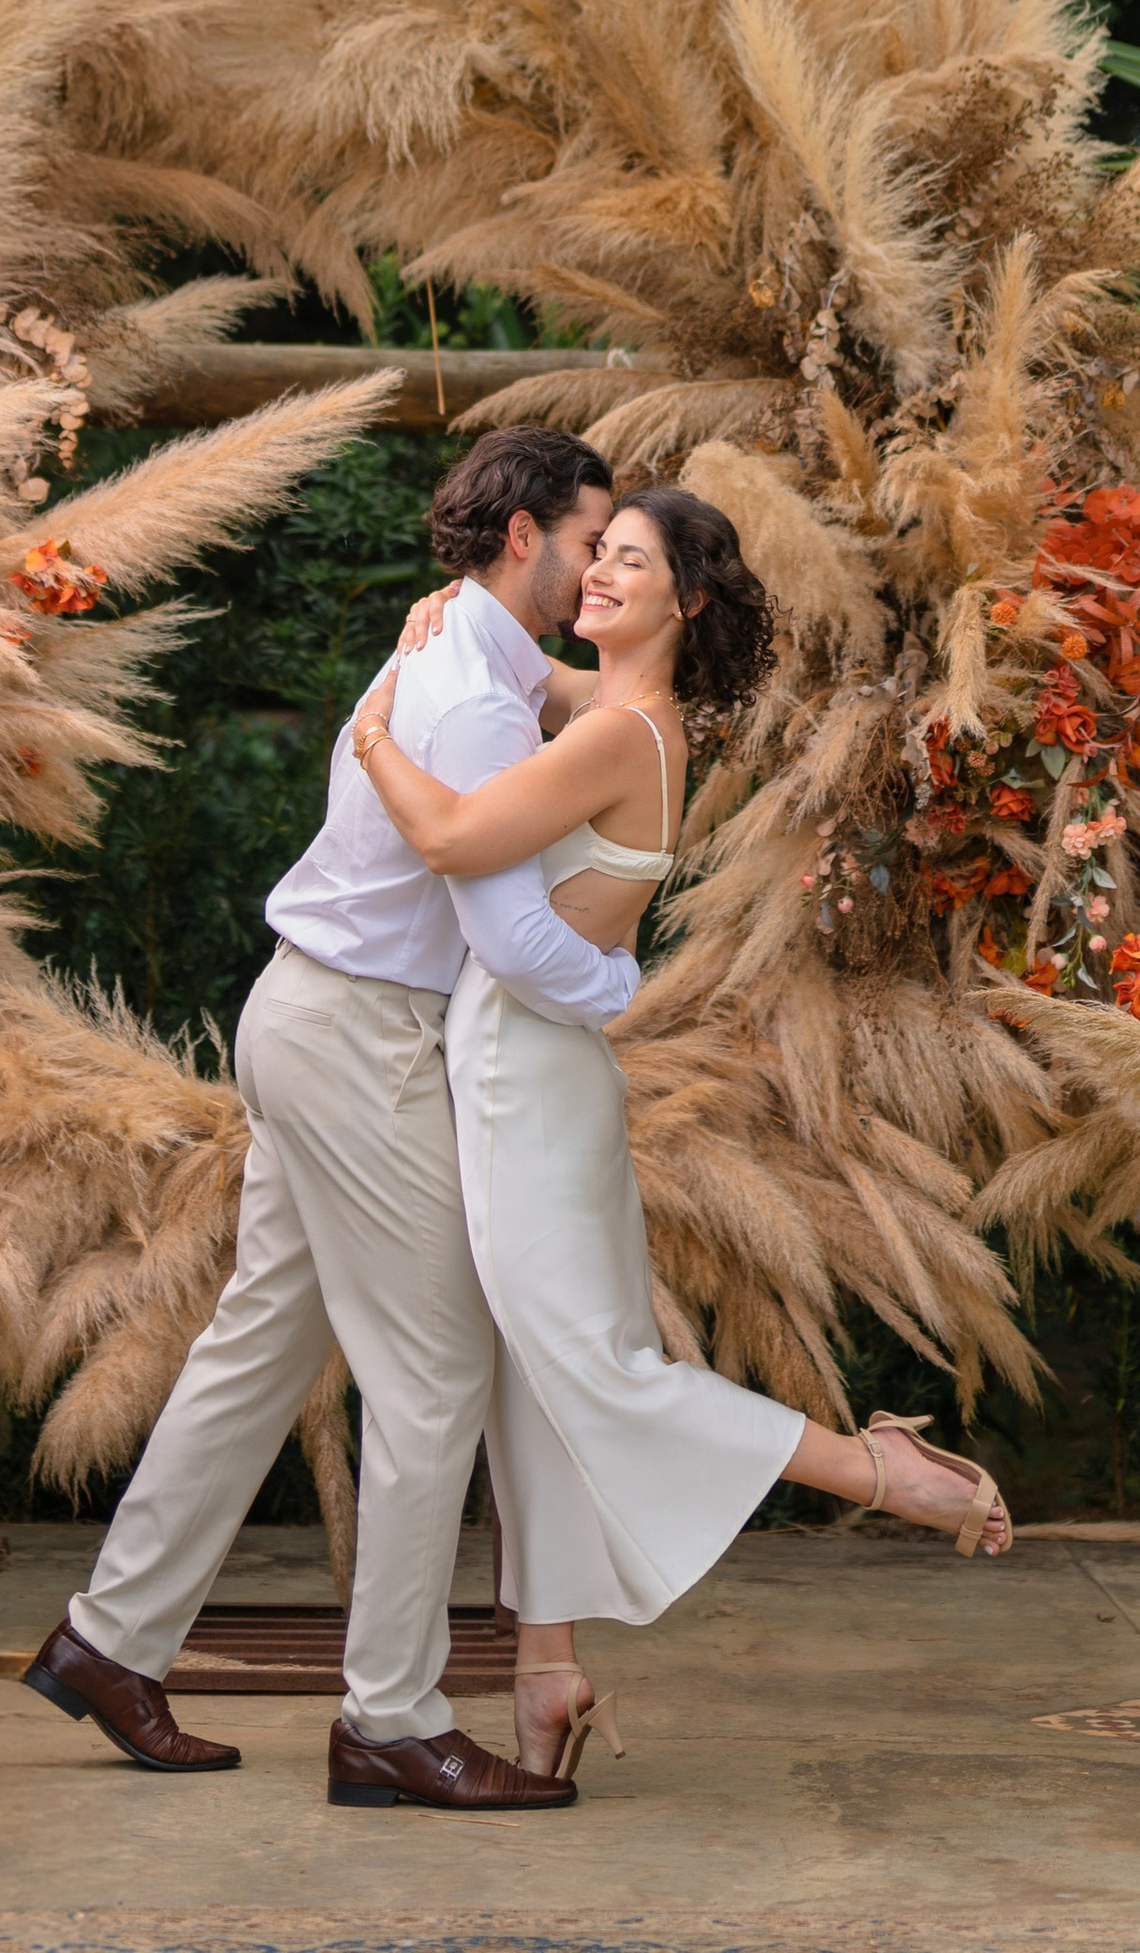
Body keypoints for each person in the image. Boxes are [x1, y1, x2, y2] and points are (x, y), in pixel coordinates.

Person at [349, 484, 1011, 1780]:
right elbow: (515, 661)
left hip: (521, 1077)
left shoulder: (617, 735)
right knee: (537, 1377)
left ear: (685, 601)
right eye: (598, 554)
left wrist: (373, 730)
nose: (596, 573)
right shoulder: (619, 714)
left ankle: (878, 1471)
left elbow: (448, 835)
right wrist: (444, 616)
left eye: (630, 564)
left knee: (596, 1372)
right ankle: (548, 1675)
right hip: (544, 1067)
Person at [26, 428, 637, 1814]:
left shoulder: (463, 649)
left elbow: (591, 693)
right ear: (523, 535)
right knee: (435, 1371)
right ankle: (392, 1719)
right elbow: (506, 926)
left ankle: (110, 1641)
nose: (600, 567)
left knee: (263, 1343)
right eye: (590, 541)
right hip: (361, 1035)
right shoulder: (467, 697)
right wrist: (616, 985)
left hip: (313, 1013)